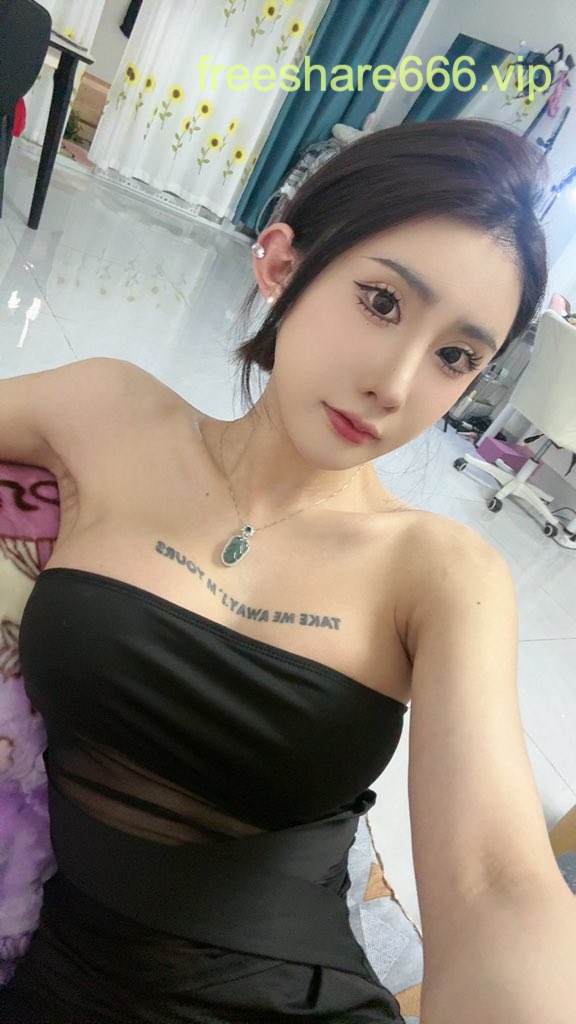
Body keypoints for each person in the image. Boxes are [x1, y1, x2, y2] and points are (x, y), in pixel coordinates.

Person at [0, 118, 575, 1024]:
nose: (396, 383)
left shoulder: (440, 570)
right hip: (60, 976)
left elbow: (496, 884)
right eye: (381, 302)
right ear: (280, 263)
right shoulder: (106, 413)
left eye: (455, 357)